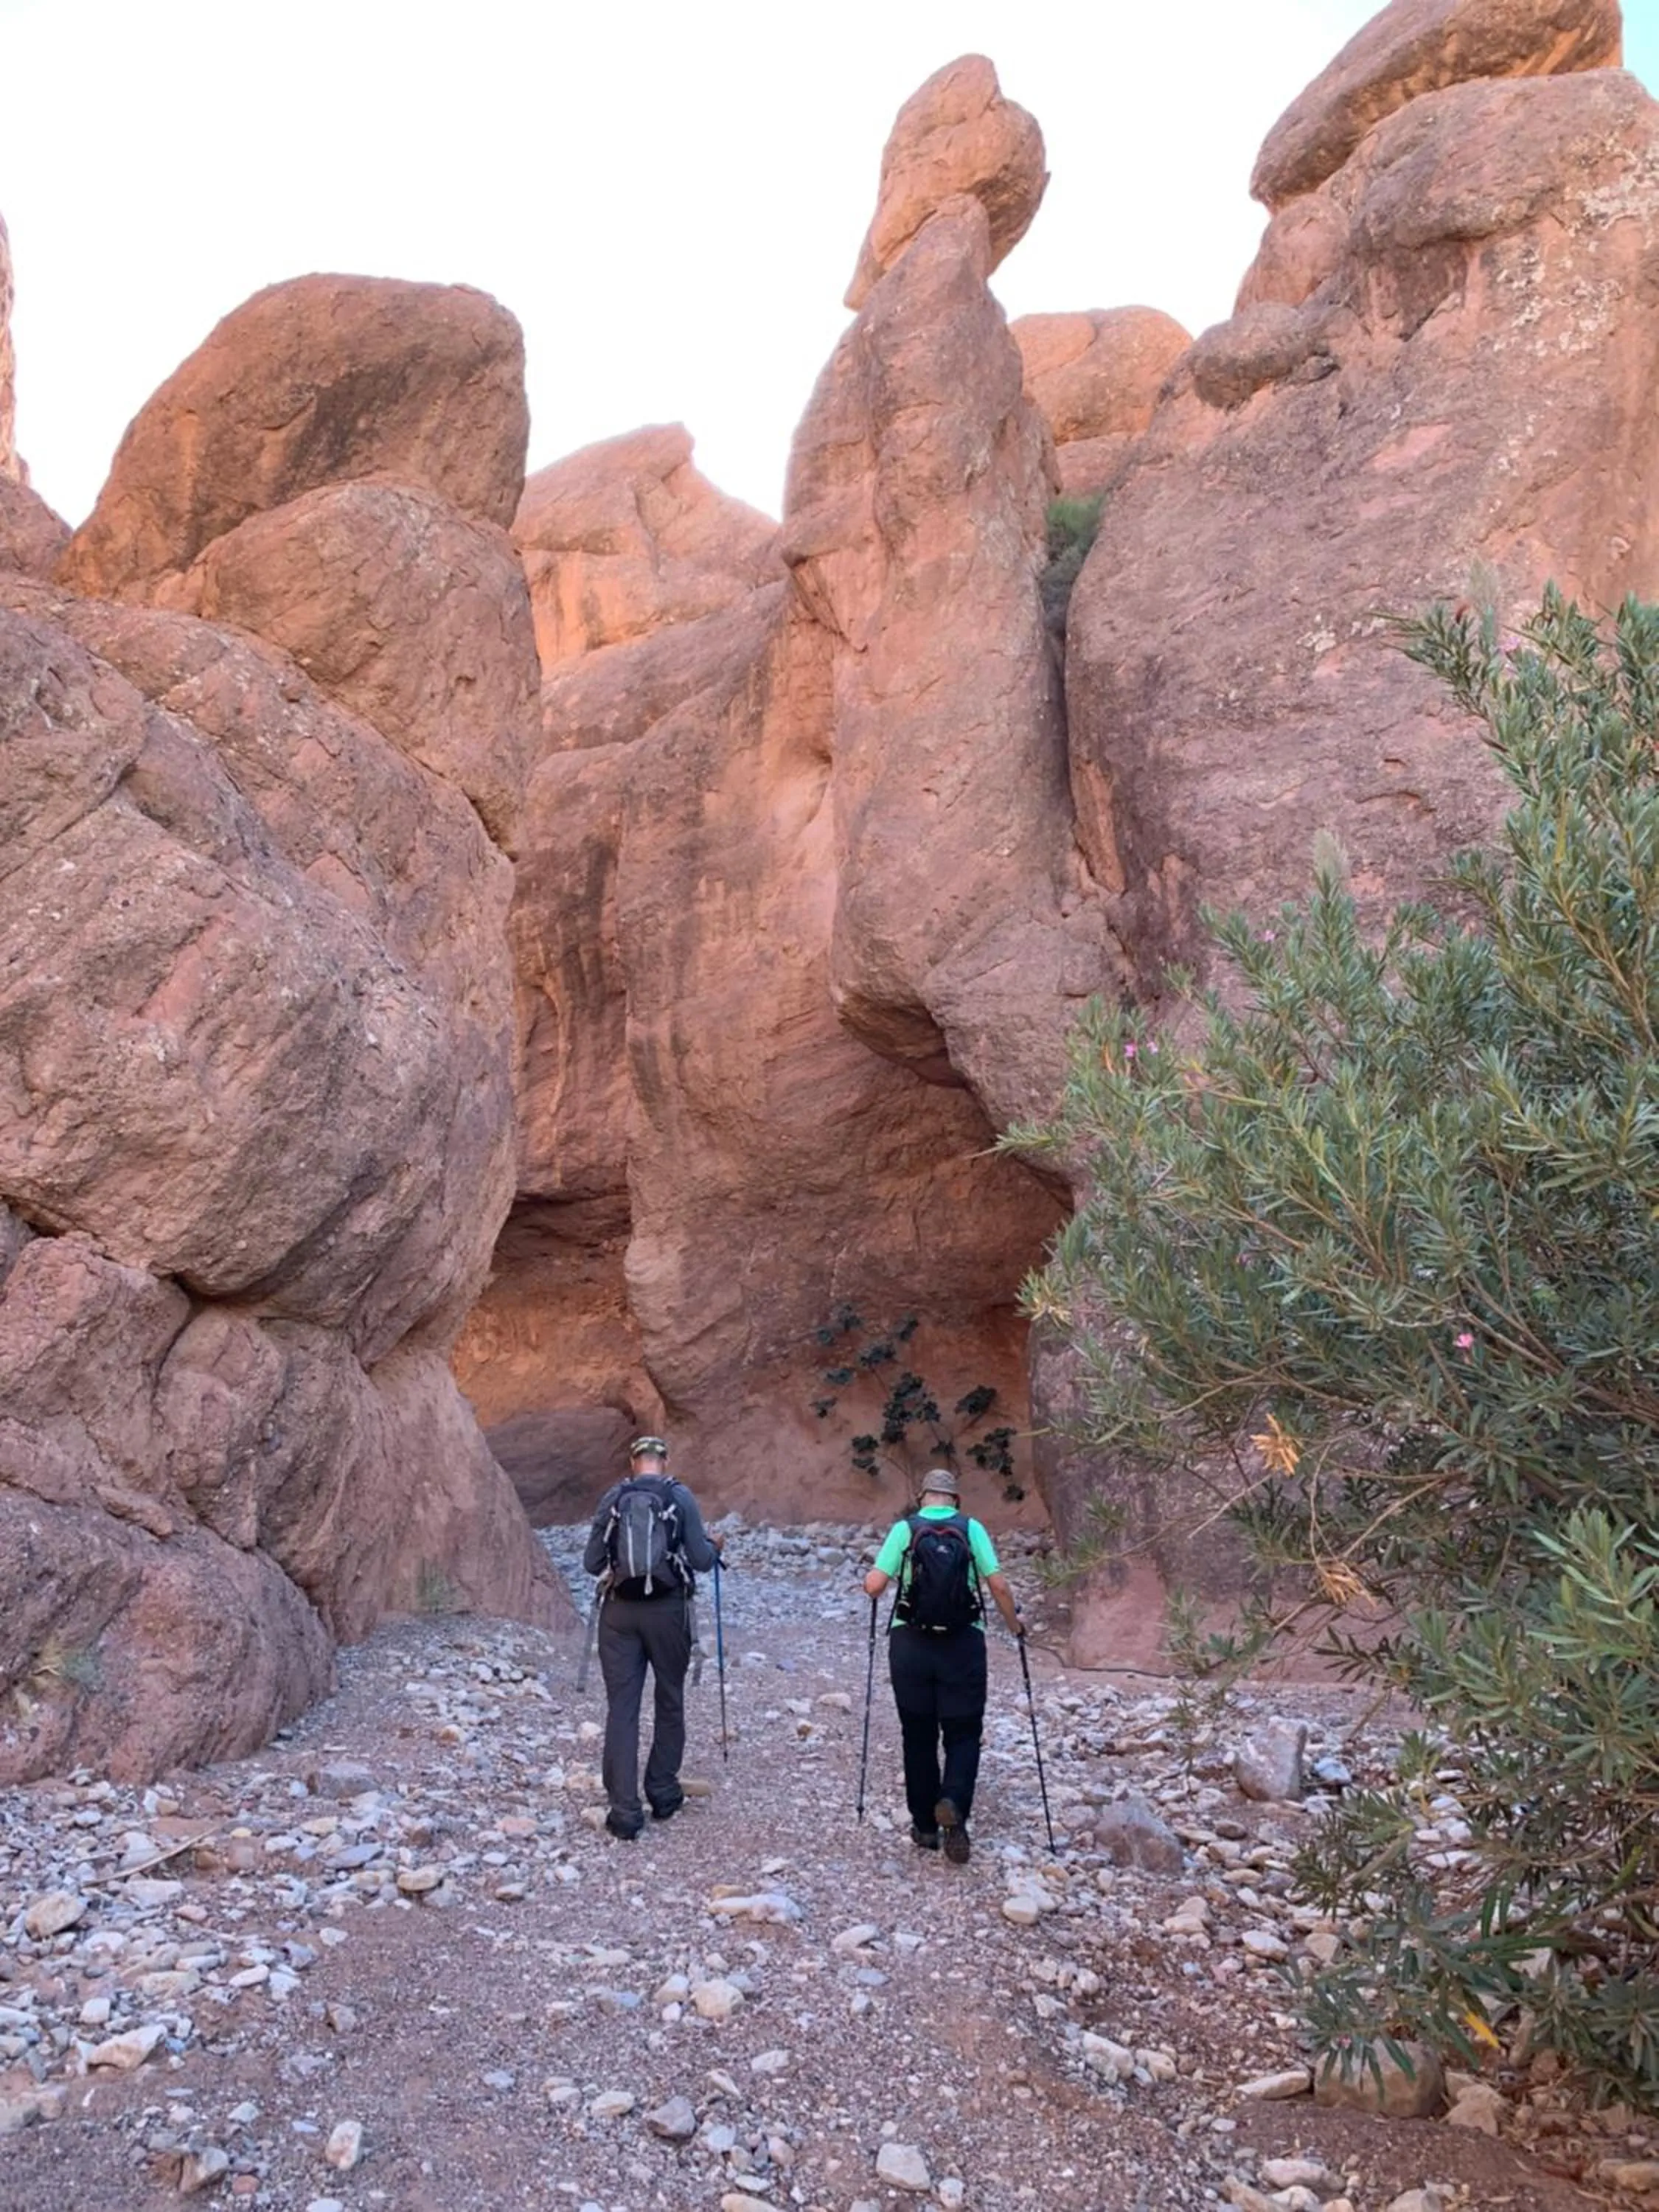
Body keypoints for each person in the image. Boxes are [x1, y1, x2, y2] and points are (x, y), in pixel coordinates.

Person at [863, 1467, 1023, 1863]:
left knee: (918, 1735)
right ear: (955, 1500)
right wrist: (1015, 1627)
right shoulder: (971, 1529)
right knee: (964, 1733)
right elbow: (999, 1586)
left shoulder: (905, 1530)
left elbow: (874, 1586)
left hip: (910, 1644)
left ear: (923, 1497)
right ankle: (953, 1804)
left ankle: (924, 1827)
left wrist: (875, 1577)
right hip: (963, 1643)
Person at [583, 1435, 722, 1840]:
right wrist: (714, 1547)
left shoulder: (614, 1498)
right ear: (664, 1461)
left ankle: (625, 1812)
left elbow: (591, 1562)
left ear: (633, 1462)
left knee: (622, 1708)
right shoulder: (680, 1497)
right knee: (670, 1698)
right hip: (668, 1612)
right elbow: (701, 1560)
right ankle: (662, 1792)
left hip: (619, 1614)